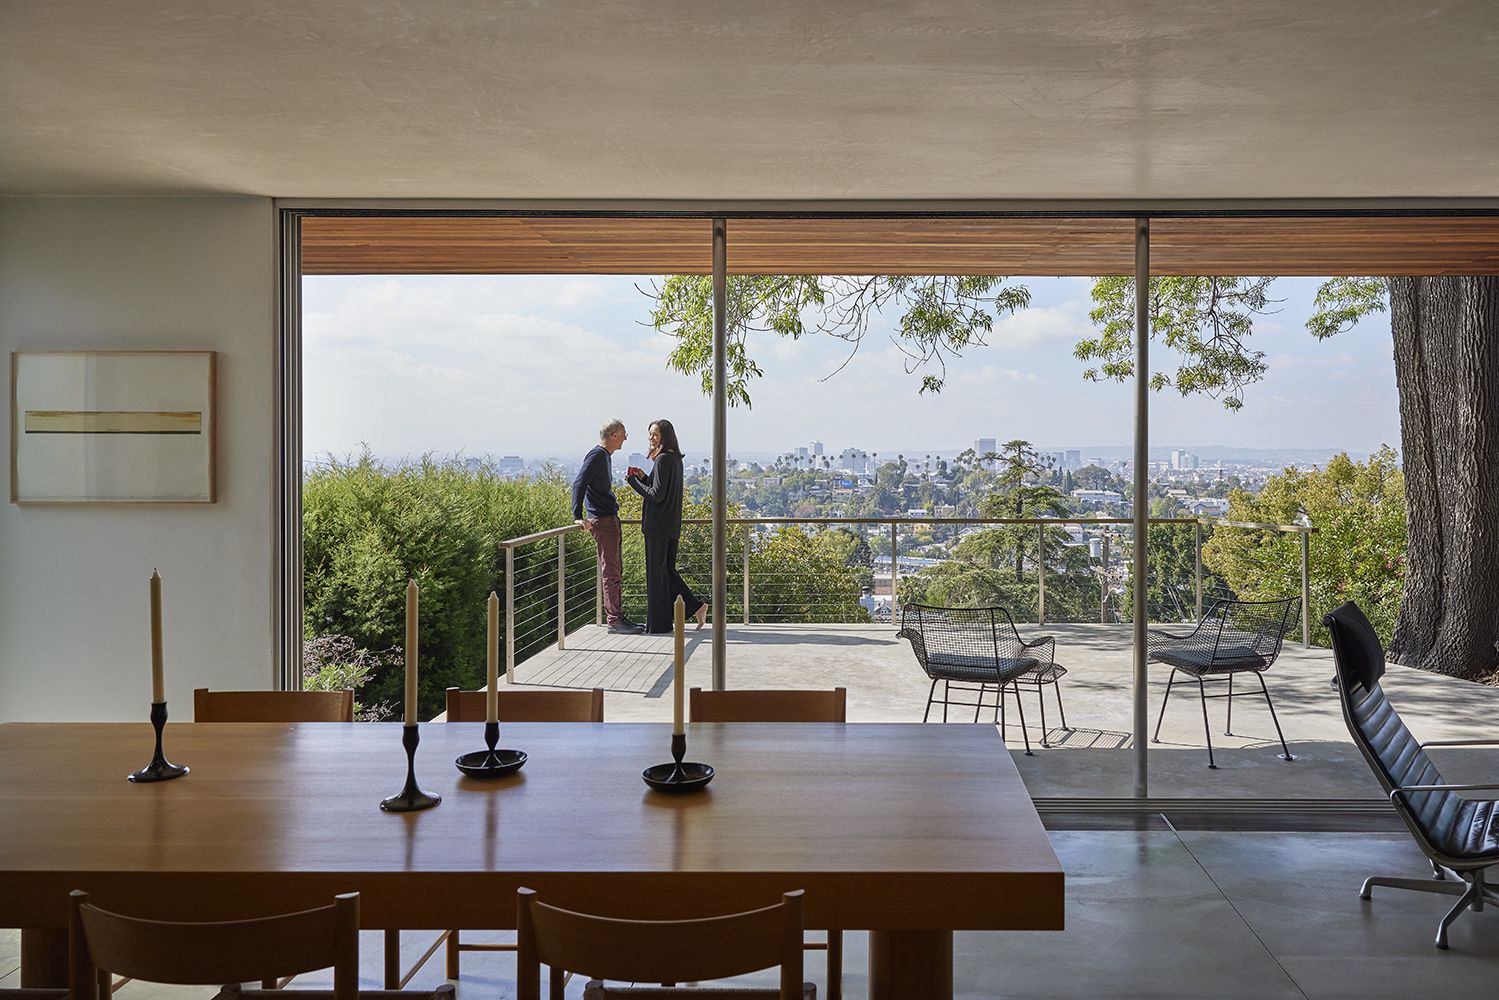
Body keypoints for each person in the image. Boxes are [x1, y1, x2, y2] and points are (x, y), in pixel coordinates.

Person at [626, 418, 708, 634]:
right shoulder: (674, 460)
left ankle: (659, 624)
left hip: (657, 526)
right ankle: (695, 606)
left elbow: (656, 495)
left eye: (655, 434)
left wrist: (633, 483)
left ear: (665, 435)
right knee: (666, 572)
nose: (651, 439)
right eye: (650, 435)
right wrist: (644, 478)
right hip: (670, 524)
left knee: (656, 576)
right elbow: (659, 489)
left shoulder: (663, 460)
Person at [572, 418, 640, 635]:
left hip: (609, 519)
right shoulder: (597, 455)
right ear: (613, 435)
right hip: (603, 521)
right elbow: (578, 483)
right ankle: (615, 620)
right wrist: (577, 516)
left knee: (615, 570)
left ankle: (617, 617)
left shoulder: (604, 457)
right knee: (611, 572)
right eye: (623, 434)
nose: (625, 438)